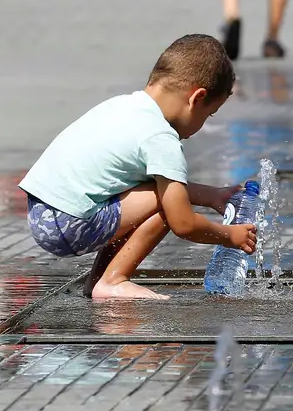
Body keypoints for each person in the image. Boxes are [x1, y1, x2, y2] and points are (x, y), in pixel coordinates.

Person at [18, 35, 252, 301]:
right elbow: (183, 224)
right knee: (169, 206)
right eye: (209, 115)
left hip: (41, 214)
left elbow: (141, 189)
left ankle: (98, 281)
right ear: (196, 98)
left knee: (150, 190)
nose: (203, 125)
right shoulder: (161, 139)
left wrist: (212, 196)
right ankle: (114, 280)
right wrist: (229, 235)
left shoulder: (124, 106)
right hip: (70, 224)